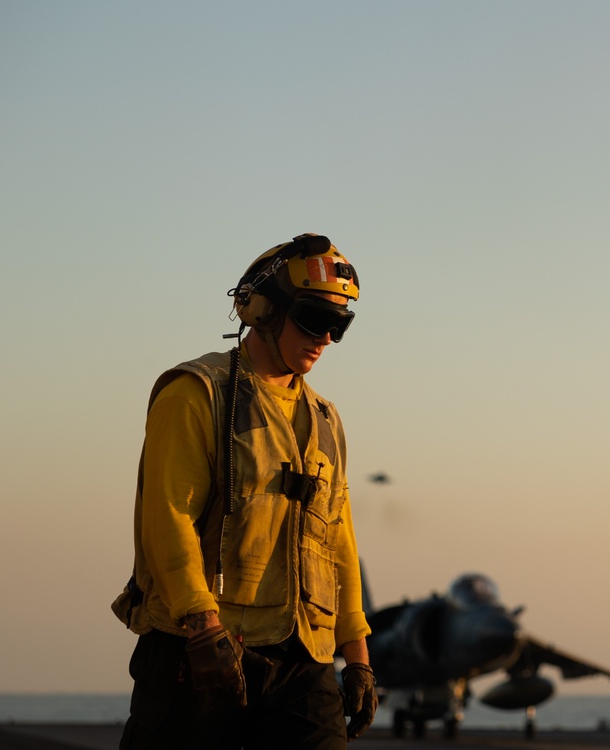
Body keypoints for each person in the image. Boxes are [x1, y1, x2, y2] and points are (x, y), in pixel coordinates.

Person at [112, 233, 377, 749]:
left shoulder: (325, 419)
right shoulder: (197, 393)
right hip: (199, 652)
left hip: (303, 663)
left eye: (338, 325)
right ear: (261, 310)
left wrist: (358, 658)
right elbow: (169, 518)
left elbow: (338, 544)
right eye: (312, 317)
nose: (325, 337)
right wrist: (203, 626)